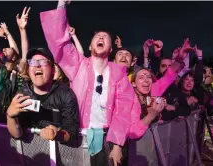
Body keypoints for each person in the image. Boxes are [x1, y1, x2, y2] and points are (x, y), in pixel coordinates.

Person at [40, 0, 142, 165]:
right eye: (97, 36)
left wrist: (117, 144)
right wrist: (61, 6)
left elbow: (123, 111)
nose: (101, 37)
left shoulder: (119, 75)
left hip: (108, 138)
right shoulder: (77, 66)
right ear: (90, 46)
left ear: (110, 49)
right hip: (79, 137)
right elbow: (59, 43)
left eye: (106, 37)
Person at [6, 48, 79, 144]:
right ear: (28, 71)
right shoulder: (22, 94)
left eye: (43, 62)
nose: (37, 65)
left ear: (53, 70)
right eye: (32, 62)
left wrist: (57, 135)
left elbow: (71, 132)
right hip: (30, 154)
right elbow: (17, 134)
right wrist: (10, 116)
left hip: (60, 155)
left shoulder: (65, 94)